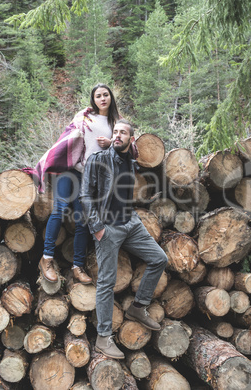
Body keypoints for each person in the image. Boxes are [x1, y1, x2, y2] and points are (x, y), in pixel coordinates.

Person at [79, 119, 168, 359]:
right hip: (108, 228)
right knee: (107, 281)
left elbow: (139, 150)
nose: (117, 135)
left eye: (123, 133)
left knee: (159, 258)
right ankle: (103, 337)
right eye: (115, 132)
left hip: (131, 223)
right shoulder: (97, 160)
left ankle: (138, 308)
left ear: (131, 139)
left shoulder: (130, 159)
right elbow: (85, 195)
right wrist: (97, 228)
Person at [25, 83, 120, 284]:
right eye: (98, 96)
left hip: (90, 178)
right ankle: (47, 258)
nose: (102, 98)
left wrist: (111, 143)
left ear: (110, 97)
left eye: (105, 95)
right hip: (70, 171)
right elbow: (69, 139)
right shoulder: (85, 116)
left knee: (82, 221)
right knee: (59, 210)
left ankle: (77, 266)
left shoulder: (115, 123)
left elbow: (127, 145)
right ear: (92, 99)